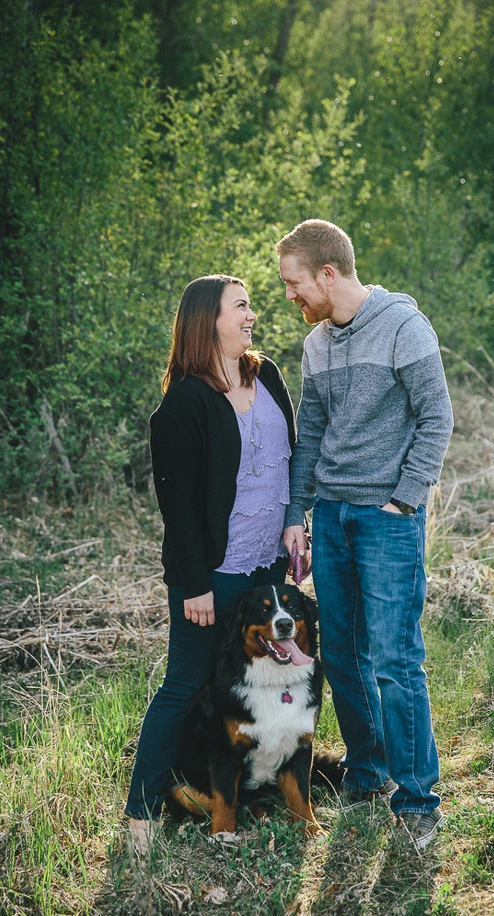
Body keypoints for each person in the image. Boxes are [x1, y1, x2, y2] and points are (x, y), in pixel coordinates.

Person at [276, 220, 454, 855]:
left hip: (387, 519)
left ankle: (417, 800)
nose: (290, 297)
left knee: (396, 658)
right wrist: (298, 512)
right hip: (332, 518)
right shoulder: (317, 345)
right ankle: (368, 773)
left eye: (295, 284)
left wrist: (404, 497)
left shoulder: (405, 325)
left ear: (329, 274)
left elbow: (437, 417)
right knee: (344, 654)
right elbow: (313, 435)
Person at [122, 277, 298, 853]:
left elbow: (291, 461)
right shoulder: (183, 404)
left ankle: (261, 783)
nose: (252, 315)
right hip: (214, 575)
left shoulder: (264, 372)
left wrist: (298, 523)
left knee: (270, 680)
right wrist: (194, 584)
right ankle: (142, 817)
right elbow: (179, 509)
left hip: (270, 567)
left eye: (249, 305)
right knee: (185, 684)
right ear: (209, 321)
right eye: (241, 306)